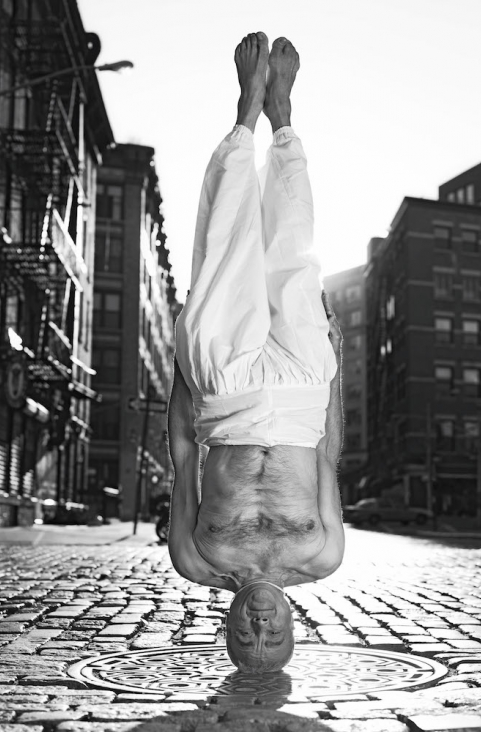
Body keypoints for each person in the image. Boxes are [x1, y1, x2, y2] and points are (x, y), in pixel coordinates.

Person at [167, 32, 345, 673]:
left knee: (226, 249)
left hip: (228, 395)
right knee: (293, 253)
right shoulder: (324, 556)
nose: (259, 628)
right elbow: (327, 454)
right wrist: (334, 366)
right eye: (274, 639)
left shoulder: (196, 560)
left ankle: (246, 113)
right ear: (296, 629)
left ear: (226, 634)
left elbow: (184, 456)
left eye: (246, 640)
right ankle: (285, 120)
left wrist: (185, 367)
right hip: (301, 396)